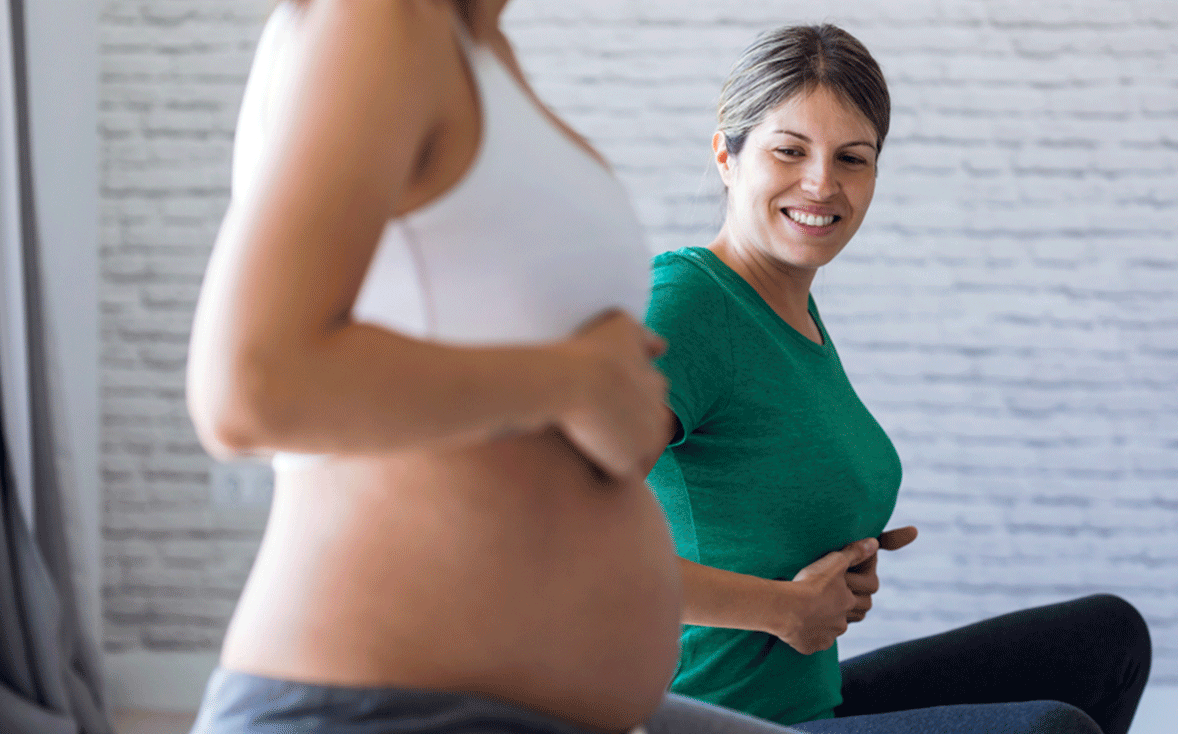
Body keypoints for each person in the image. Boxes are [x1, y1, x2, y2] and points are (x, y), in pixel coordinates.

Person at [182, 2, 817, 732]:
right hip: (387, 706)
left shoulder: (485, 56)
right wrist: (573, 383)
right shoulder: (381, 18)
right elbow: (254, 384)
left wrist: (606, 406)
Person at [644, 24, 1153, 734]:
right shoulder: (689, 307)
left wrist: (841, 557)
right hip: (706, 720)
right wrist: (785, 610)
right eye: (789, 150)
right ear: (727, 157)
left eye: (851, 158)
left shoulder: (791, 313)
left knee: (1105, 639)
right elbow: (558, 542)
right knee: (1049, 730)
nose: (821, 183)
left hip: (799, 702)